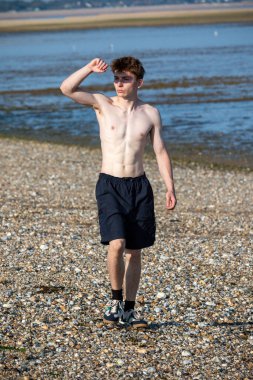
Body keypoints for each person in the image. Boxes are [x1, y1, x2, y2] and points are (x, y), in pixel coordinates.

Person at [60, 56, 176, 329]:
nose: (120, 84)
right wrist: (88, 69)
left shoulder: (150, 113)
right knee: (116, 244)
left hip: (139, 187)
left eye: (126, 79)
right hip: (110, 184)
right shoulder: (102, 103)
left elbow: (160, 151)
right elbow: (66, 89)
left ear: (139, 82)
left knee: (134, 252)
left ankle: (130, 310)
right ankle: (114, 302)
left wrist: (170, 186)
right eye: (117, 78)